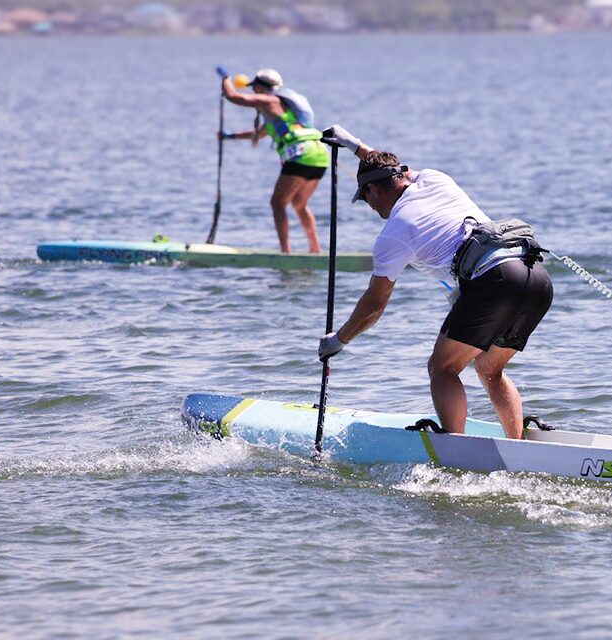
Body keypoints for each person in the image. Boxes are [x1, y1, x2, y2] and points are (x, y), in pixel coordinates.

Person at [317, 125, 554, 440]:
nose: (371, 207)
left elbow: (373, 306)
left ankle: (455, 449)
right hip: (536, 277)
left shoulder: (394, 233)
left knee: (442, 369)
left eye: (366, 199)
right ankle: (517, 444)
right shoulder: (433, 178)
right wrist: (353, 144)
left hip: (496, 282)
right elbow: (391, 167)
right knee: (489, 369)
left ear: (372, 190)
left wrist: (338, 340)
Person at [218, 67, 329, 254]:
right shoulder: (280, 112)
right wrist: (229, 136)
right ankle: (315, 250)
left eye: (254, 87)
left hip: (301, 156)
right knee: (299, 204)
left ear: (261, 87)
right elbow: (257, 134)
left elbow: (233, 97)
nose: (253, 91)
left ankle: (285, 252)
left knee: (277, 203)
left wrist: (225, 78)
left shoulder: (270, 101)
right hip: (320, 155)